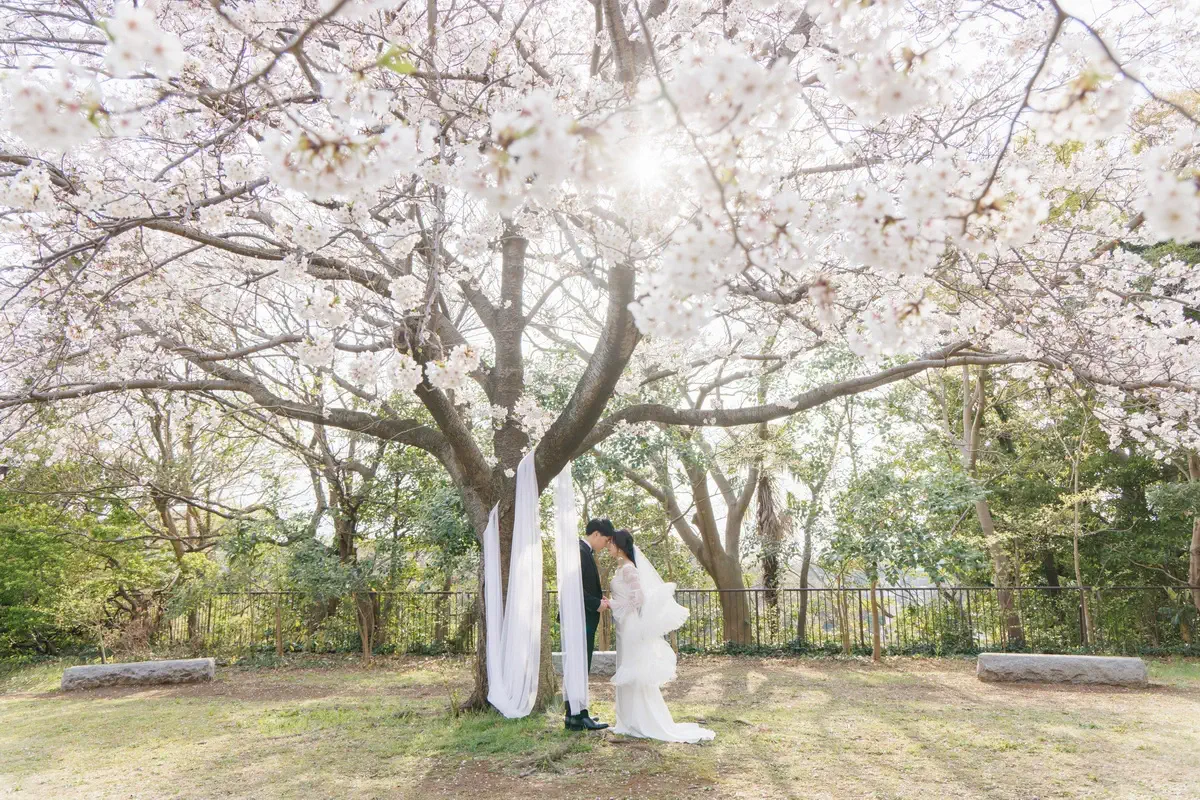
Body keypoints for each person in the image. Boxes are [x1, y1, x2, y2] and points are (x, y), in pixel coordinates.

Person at [606, 529, 715, 744]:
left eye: (610, 543)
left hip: (631, 626)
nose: (608, 547)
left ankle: (643, 720)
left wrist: (613, 604)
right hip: (623, 625)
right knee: (626, 666)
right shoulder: (620, 568)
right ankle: (627, 720)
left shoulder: (629, 569)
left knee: (634, 668)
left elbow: (639, 598)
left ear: (619, 546)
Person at [564, 518, 614, 731]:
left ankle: (576, 715)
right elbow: (573, 588)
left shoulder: (583, 552)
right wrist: (596, 605)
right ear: (595, 534)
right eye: (605, 539)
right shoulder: (579, 552)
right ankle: (576, 715)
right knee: (579, 666)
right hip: (580, 618)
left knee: (579, 666)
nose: (605, 544)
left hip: (582, 617)